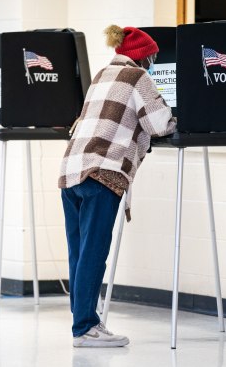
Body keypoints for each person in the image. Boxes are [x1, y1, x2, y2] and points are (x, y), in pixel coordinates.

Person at [58, 25, 177, 348]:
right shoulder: (138, 77)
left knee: (79, 253)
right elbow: (160, 124)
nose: (154, 61)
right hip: (102, 173)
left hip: (71, 172)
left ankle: (85, 322)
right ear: (145, 56)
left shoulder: (102, 75)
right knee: (94, 254)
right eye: (153, 57)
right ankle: (84, 329)